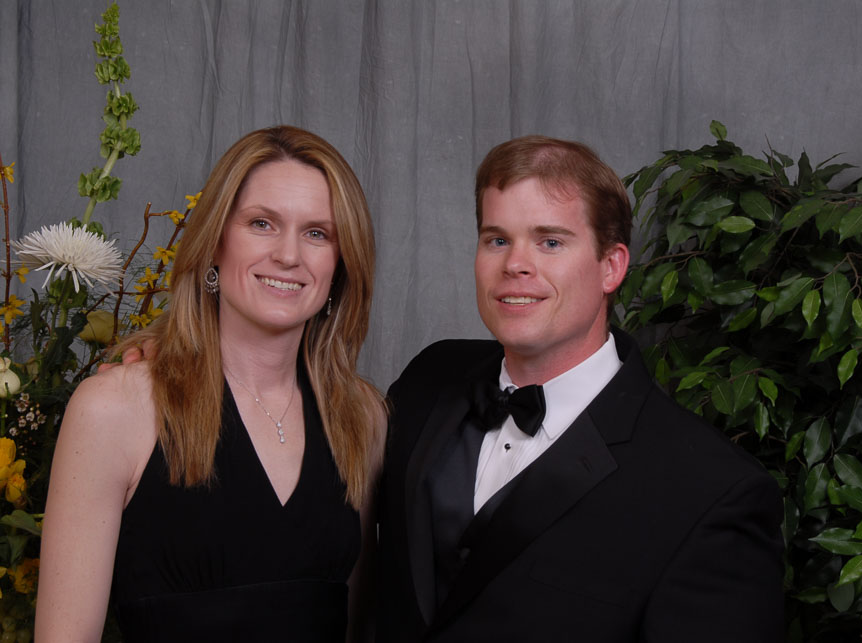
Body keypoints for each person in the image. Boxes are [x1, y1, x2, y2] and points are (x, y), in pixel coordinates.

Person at [377, 135, 784, 641]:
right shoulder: (428, 378)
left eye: (550, 242)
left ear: (611, 266)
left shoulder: (713, 490)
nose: (515, 264)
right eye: (497, 240)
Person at [35, 125, 385, 643]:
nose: (289, 255)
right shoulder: (116, 408)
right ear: (216, 243)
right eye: (262, 223)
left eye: (318, 233)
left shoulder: (362, 417)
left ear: (341, 264)